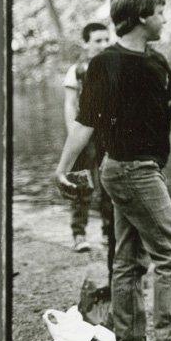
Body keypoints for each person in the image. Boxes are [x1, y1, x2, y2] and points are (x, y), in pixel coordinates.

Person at [53, 0, 171, 341]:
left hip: (145, 169)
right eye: (160, 13)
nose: (164, 20)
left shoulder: (156, 61)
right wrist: (62, 167)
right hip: (129, 170)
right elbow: (86, 122)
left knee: (129, 258)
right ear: (142, 17)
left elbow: (163, 107)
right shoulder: (104, 64)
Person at [63, 22, 111, 255]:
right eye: (98, 41)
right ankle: (79, 233)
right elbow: (70, 103)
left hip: (109, 133)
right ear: (86, 43)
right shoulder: (78, 70)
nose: (103, 44)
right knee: (82, 182)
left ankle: (108, 232)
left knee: (109, 182)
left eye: (106, 39)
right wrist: (74, 133)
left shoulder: (114, 65)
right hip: (84, 132)